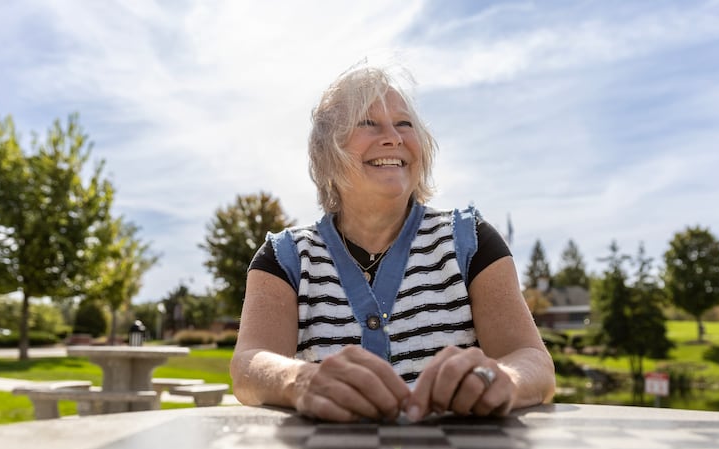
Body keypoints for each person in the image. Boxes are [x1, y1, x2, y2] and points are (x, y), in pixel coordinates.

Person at [231, 63, 555, 423]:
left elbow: (533, 361)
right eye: (368, 124)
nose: (393, 138)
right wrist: (300, 380)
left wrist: (503, 379)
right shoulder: (284, 258)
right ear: (327, 152)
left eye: (404, 124)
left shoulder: (472, 242)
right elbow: (248, 366)